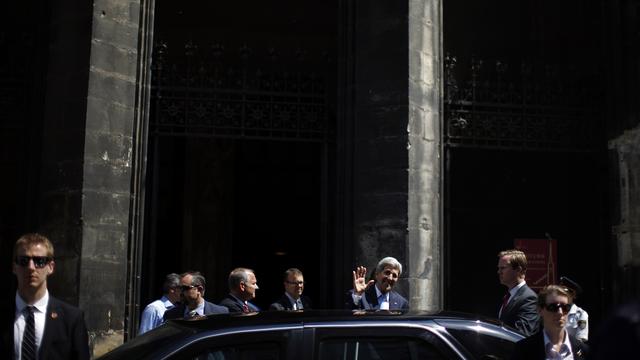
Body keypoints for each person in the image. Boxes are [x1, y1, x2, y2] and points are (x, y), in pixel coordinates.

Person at [2, 233, 89, 360]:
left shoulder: (72, 318)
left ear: (51, 267)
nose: (31, 267)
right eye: (24, 261)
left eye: (39, 261)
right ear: (14, 267)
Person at [510, 285, 589, 360]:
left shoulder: (583, 350)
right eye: (553, 307)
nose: (560, 312)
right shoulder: (524, 349)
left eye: (565, 307)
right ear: (540, 310)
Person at [497, 249, 540, 336]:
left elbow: (522, 334)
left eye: (503, 268)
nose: (499, 272)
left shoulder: (529, 298)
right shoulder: (508, 296)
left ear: (518, 270)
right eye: (499, 268)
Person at [345, 256, 409, 310]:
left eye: (394, 276)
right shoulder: (361, 296)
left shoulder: (402, 303)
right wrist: (357, 296)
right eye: (387, 273)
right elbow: (349, 319)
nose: (390, 278)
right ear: (377, 274)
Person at [163, 272, 228, 320]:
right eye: (180, 288)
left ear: (199, 289)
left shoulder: (220, 313)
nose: (181, 292)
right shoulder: (171, 315)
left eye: (185, 288)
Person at [559, 276, 588, 342]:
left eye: (565, 293)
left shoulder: (580, 314)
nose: (561, 296)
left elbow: (581, 339)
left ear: (573, 295)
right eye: (560, 293)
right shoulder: (553, 310)